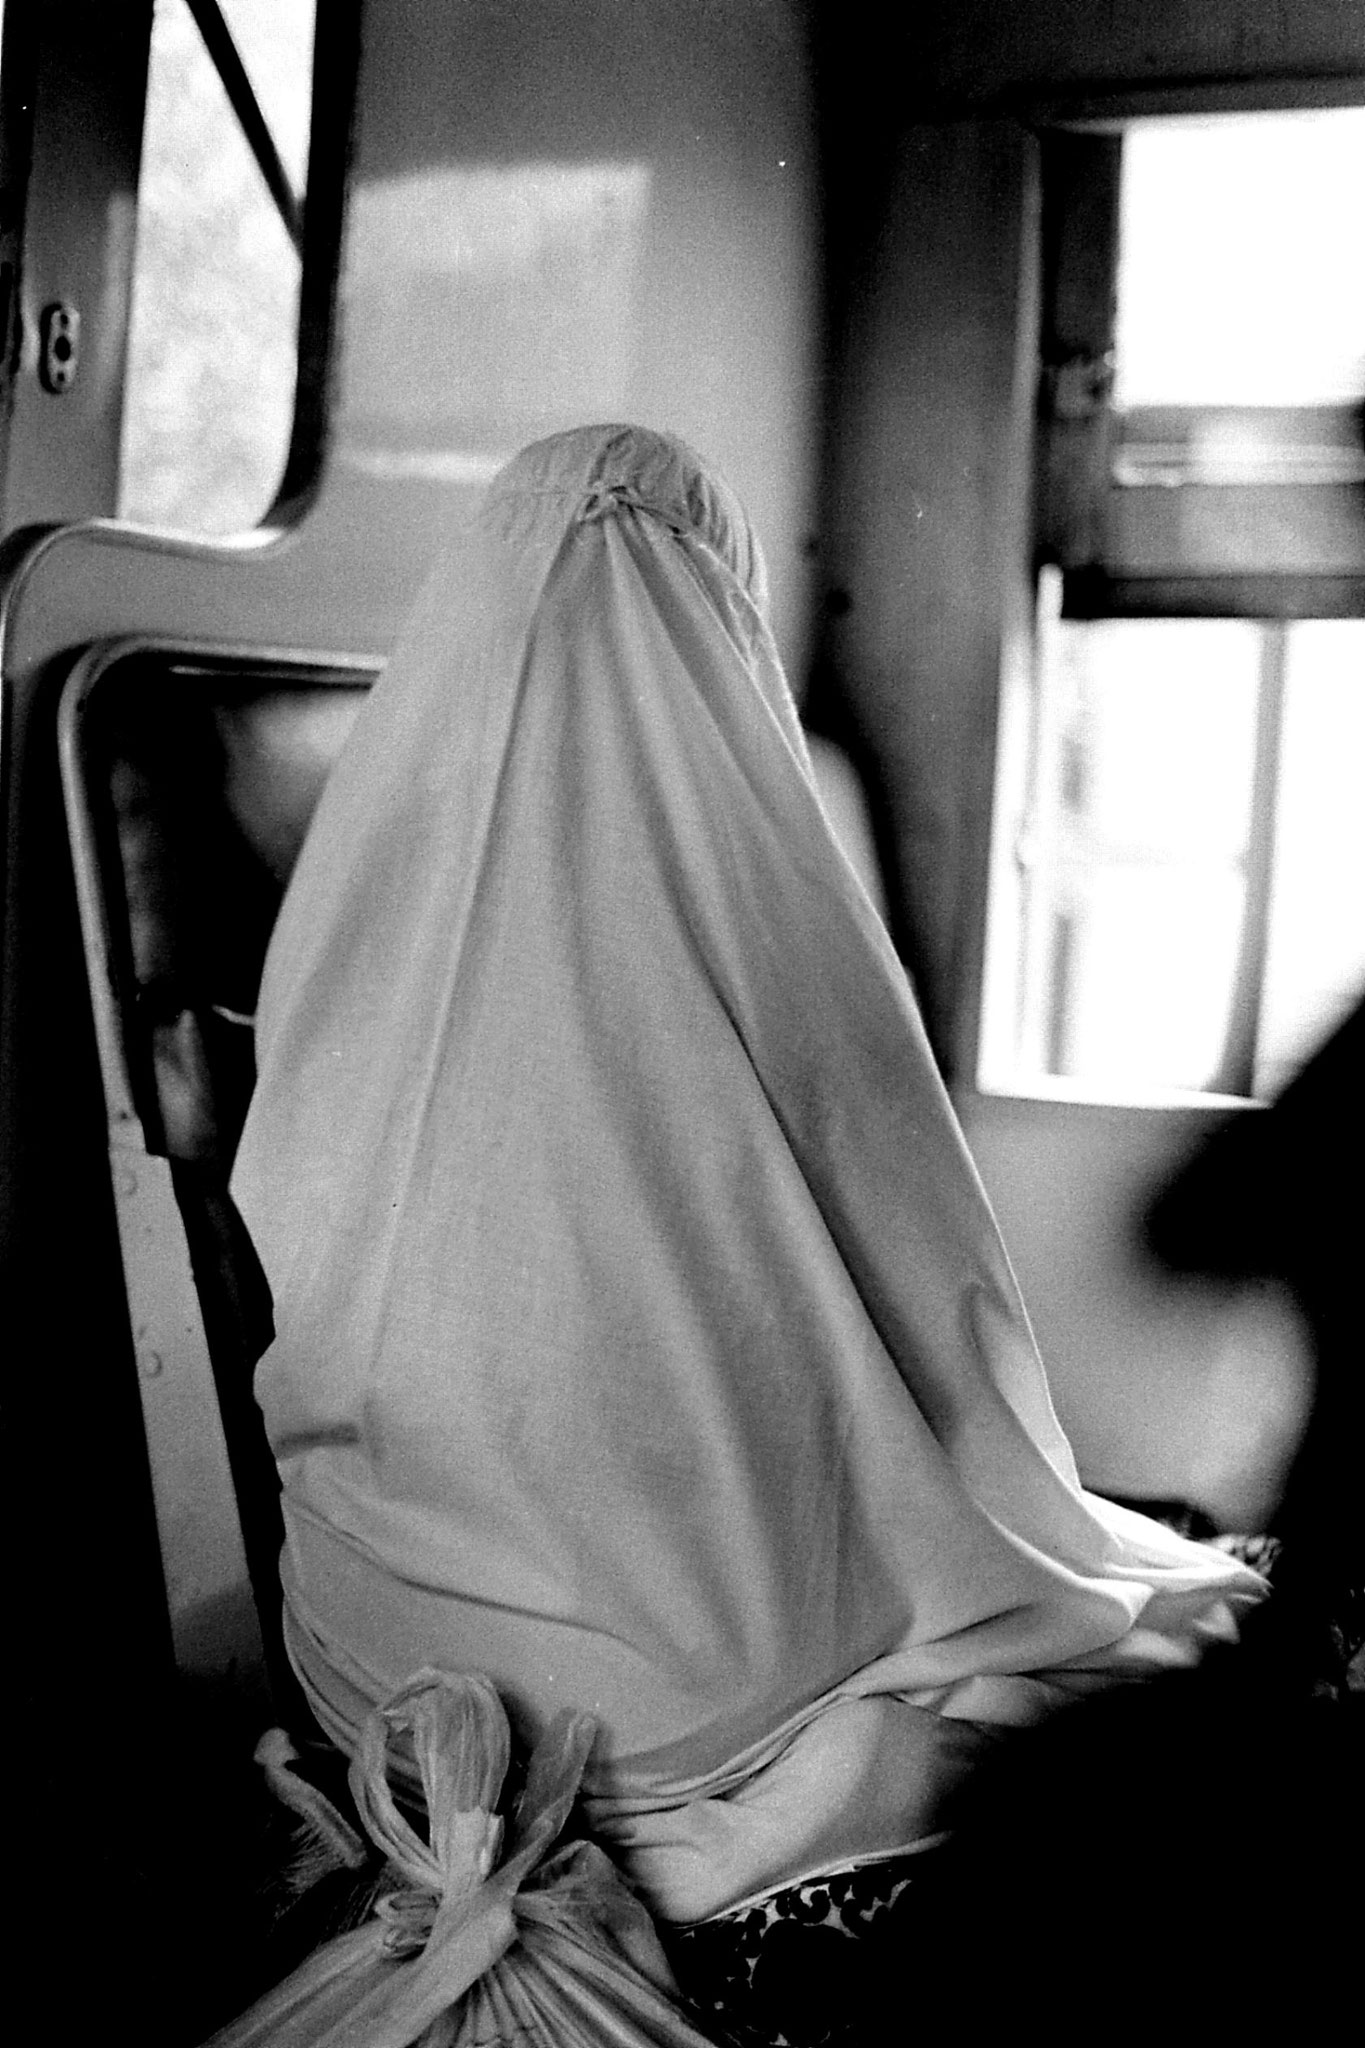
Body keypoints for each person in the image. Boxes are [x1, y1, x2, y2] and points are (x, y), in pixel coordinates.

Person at [229, 425, 1262, 1965]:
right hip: (729, 1670)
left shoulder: (345, 930)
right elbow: (918, 1280)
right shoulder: (773, 904)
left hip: (391, 1653)